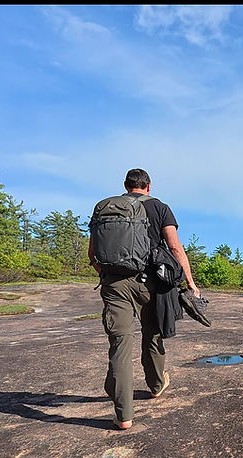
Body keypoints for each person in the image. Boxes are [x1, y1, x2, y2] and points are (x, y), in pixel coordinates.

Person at [88, 168, 200, 430]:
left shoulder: (106, 208)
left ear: (126, 185)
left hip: (115, 284)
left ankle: (124, 416)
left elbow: (93, 253)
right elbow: (175, 247)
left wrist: (107, 274)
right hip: (152, 283)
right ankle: (156, 385)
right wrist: (191, 283)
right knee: (153, 335)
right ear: (148, 186)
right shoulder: (160, 207)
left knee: (120, 344)